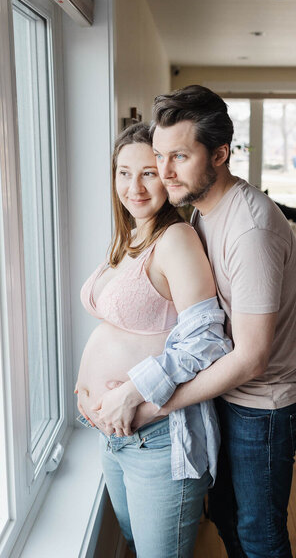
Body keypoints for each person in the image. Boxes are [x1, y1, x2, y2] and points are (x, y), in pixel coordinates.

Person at [97, 86, 296, 558]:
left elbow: (252, 358)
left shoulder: (249, 228)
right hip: (227, 395)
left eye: (179, 156)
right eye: (160, 156)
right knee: (229, 520)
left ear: (219, 154)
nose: (165, 172)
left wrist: (154, 403)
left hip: (262, 405)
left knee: (258, 533)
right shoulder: (201, 212)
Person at [75, 122, 231, 558]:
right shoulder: (129, 237)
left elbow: (207, 343)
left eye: (148, 172)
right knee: (136, 544)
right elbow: (123, 325)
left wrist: (130, 390)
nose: (134, 186)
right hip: (115, 435)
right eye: (124, 172)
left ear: (167, 174)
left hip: (157, 437)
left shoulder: (176, 238)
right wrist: (89, 386)